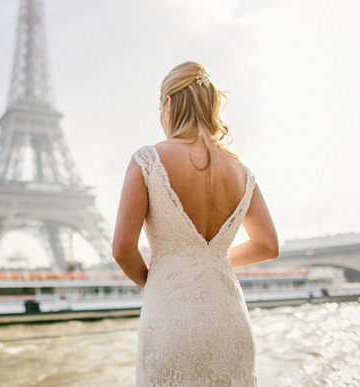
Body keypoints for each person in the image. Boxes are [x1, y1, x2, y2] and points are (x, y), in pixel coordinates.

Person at [113, 62, 279, 386]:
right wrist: (213, 261)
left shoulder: (147, 161)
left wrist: (159, 279)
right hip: (230, 321)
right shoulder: (241, 171)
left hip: (170, 318)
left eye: (160, 107)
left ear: (170, 105)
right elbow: (268, 245)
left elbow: (122, 249)